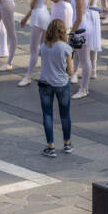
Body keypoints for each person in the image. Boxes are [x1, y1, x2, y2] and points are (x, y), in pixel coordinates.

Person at [38, 19, 73, 158]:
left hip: (45, 84)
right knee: (65, 115)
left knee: (47, 115)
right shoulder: (65, 48)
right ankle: (67, 144)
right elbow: (70, 71)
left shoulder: (44, 46)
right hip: (61, 84)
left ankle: (51, 146)